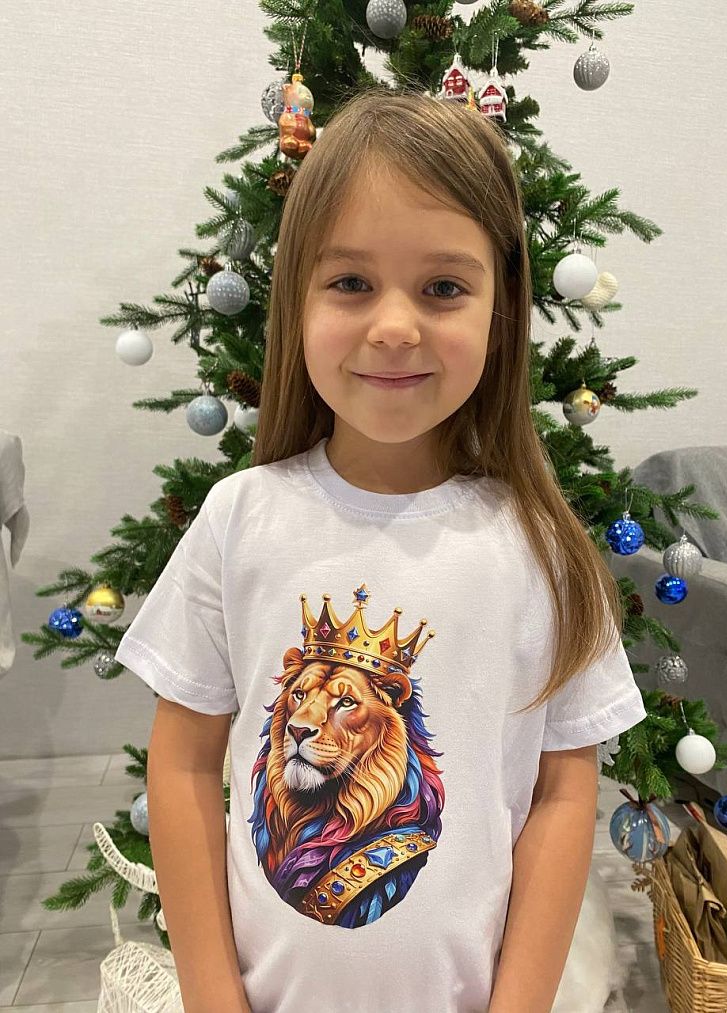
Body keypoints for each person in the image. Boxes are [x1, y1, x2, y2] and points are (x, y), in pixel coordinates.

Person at [114, 85, 647, 1013]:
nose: (394, 326)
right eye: (351, 282)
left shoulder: (544, 551)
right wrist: (210, 997)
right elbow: (186, 763)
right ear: (297, 297)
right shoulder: (240, 519)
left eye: (443, 287)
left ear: (501, 309)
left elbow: (564, 795)